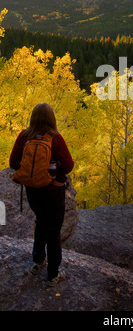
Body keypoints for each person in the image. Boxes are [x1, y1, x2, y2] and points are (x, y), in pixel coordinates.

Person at [9, 102, 74, 287]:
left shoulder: (24, 135)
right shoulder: (55, 137)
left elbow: (13, 163)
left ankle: (38, 261)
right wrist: (55, 173)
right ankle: (53, 275)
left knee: (41, 222)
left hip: (33, 190)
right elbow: (68, 165)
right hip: (53, 190)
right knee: (54, 231)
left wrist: (30, 171)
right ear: (51, 118)